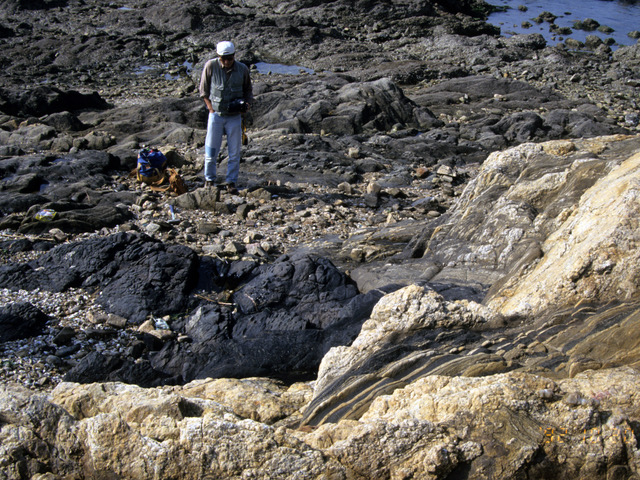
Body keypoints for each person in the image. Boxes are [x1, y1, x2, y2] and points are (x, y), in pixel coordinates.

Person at [199, 41, 253, 194]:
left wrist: (247, 104)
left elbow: (248, 90)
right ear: (219, 57)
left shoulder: (242, 69)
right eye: (224, 59)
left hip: (234, 117)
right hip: (216, 114)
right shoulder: (211, 66)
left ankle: (231, 182)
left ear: (234, 56)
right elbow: (203, 90)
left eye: (230, 58)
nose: (227, 62)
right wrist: (210, 108)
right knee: (211, 151)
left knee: (234, 152)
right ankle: (209, 180)